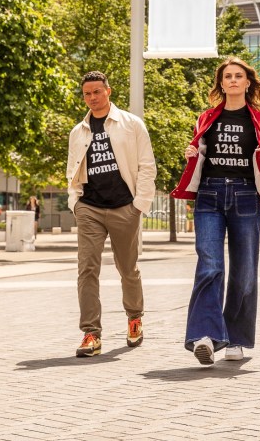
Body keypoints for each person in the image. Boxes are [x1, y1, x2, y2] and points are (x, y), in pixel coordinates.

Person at [171, 57, 260, 366]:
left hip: (246, 197)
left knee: (244, 272)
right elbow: (199, 153)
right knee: (210, 266)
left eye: (238, 76)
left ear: (248, 83)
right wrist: (192, 154)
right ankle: (204, 336)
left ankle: (235, 338)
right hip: (209, 195)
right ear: (221, 83)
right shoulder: (206, 118)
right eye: (228, 76)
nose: (233, 80)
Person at [67, 71, 157, 357]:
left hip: (124, 207)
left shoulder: (131, 124)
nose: (92, 97)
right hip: (89, 207)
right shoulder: (78, 131)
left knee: (127, 268)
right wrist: (75, 202)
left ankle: (134, 317)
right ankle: (91, 334)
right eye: (87, 93)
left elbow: (147, 166)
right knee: (87, 269)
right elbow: (72, 169)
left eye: (97, 91)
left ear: (108, 91)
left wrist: (139, 205)